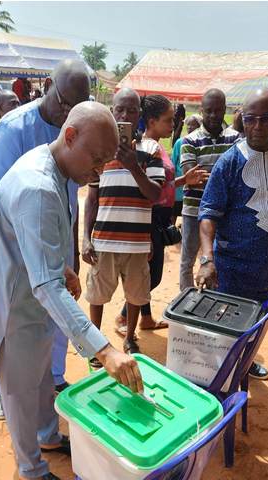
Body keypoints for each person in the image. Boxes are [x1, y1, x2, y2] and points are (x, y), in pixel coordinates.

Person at [0, 102, 144, 480]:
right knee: (19, 392)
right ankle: (31, 468)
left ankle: (48, 436)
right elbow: (46, 286)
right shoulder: (38, 187)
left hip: (31, 300)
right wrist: (105, 350)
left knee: (42, 378)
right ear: (70, 136)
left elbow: (31, 238)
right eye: (96, 159)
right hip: (12, 308)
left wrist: (59, 265)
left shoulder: (48, 163)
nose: (98, 170)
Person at [0, 59, 90, 421]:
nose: (67, 114)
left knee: (57, 314)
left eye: (76, 108)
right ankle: (5, 393)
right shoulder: (14, 129)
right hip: (17, 248)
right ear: (46, 85)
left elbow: (71, 201)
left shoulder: (78, 130)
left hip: (58, 236)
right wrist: (7, 260)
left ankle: (53, 379)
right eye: (63, 103)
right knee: (17, 324)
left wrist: (69, 258)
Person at [196, 87, 268, 380]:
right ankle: (223, 371)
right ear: (241, 119)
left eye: (264, 119)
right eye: (249, 119)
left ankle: (245, 362)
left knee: (258, 319)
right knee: (227, 321)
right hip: (232, 264)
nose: (256, 127)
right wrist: (207, 259)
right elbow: (207, 215)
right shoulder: (228, 162)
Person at [115, 95, 208, 336]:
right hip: (150, 217)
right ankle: (124, 316)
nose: (172, 125)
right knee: (152, 276)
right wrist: (145, 232)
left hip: (159, 217)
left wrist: (183, 181)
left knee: (148, 272)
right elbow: (146, 191)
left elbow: (161, 184)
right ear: (152, 121)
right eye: (168, 121)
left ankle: (145, 318)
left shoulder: (158, 147)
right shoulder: (145, 149)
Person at [83, 88, 165, 356]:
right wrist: (86, 238)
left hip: (137, 242)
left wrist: (133, 167)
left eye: (132, 110)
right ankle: (96, 346)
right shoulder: (100, 152)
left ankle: (130, 338)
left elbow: (155, 193)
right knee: (97, 296)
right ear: (112, 111)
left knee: (136, 296)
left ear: (139, 114)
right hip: (104, 239)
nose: (125, 114)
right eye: (120, 109)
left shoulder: (151, 149)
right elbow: (92, 198)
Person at [179, 88, 240, 291]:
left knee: (218, 259)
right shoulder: (189, 140)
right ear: (201, 110)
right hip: (193, 210)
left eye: (218, 110)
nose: (213, 115)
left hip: (224, 213)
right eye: (209, 110)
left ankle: (213, 299)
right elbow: (192, 176)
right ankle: (186, 301)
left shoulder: (236, 139)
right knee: (188, 261)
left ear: (225, 110)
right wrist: (223, 179)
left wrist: (209, 178)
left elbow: (237, 176)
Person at [171, 114, 202, 222]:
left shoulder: (200, 143)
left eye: (193, 125)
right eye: (188, 125)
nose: (189, 127)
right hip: (179, 185)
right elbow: (173, 162)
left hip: (192, 185)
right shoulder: (179, 142)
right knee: (173, 213)